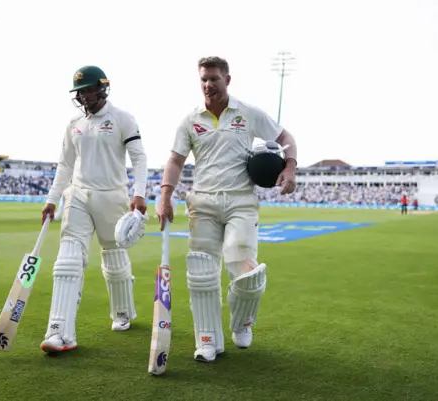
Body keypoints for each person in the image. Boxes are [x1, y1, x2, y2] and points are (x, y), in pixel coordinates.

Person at [157, 56, 298, 363]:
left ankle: (242, 322)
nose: (208, 85)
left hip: (241, 202)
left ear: (227, 80)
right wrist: (165, 196)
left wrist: (290, 168)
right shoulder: (190, 120)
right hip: (202, 203)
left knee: (246, 271)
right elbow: (175, 161)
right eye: (203, 80)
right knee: (202, 274)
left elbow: (285, 138)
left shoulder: (247, 113)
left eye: (214, 79)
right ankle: (207, 339)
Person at [40, 65, 148, 353]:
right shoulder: (74, 124)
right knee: (68, 260)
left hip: (112, 195)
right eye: (81, 91)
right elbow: (64, 164)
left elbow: (138, 158)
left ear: (102, 88)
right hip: (77, 195)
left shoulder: (122, 118)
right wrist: (52, 199)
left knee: (114, 259)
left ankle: (122, 312)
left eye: (89, 89)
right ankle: (59, 331)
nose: (85, 95)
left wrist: (139, 194)